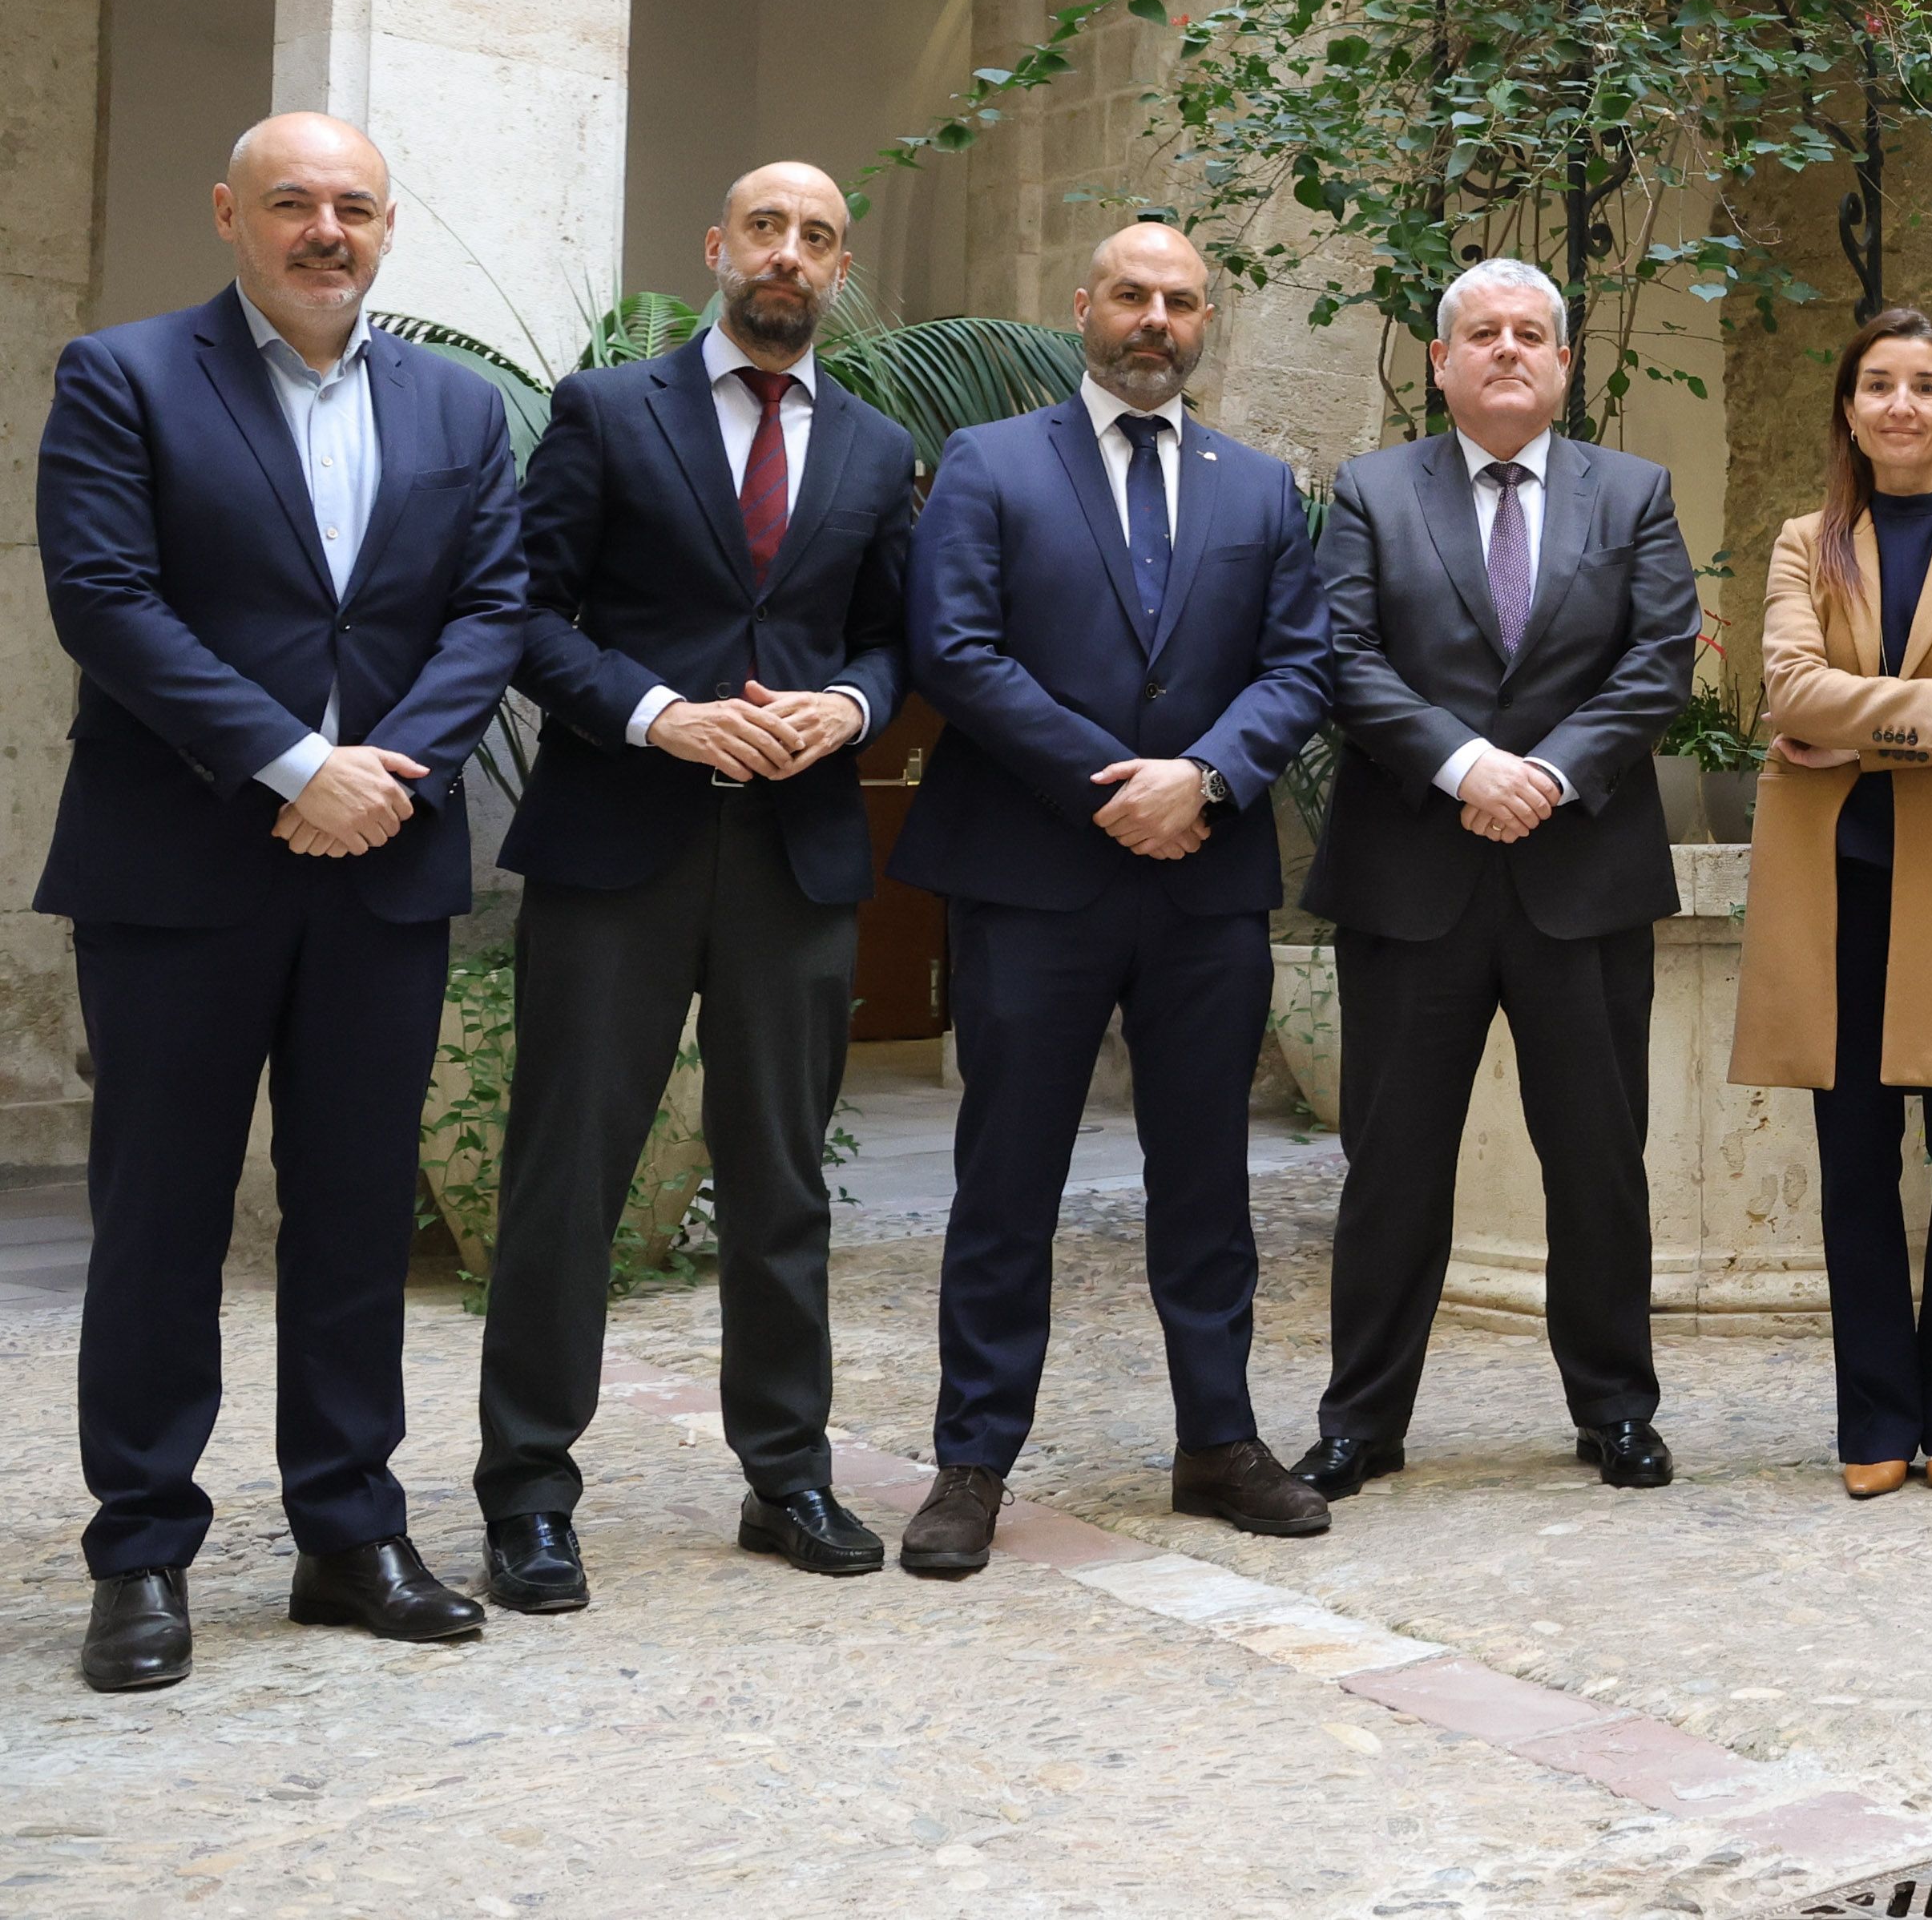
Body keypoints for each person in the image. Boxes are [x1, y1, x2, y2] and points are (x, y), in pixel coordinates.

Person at [35, 112, 525, 1689]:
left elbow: (491, 609)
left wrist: (384, 778)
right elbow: (105, 597)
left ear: (387, 226)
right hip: (176, 867)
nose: (328, 230)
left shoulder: (455, 407)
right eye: (295, 203)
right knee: (162, 1218)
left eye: (355, 207)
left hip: (382, 860)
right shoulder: (125, 377)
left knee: (358, 1213)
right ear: (229, 214)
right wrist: (293, 764)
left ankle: (349, 1533)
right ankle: (141, 1552)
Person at [470, 162, 918, 1610]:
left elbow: (894, 637)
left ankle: (787, 1475)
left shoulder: (876, 445)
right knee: (568, 1175)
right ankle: (529, 1493)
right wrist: (659, 714)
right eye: (766, 229)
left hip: (797, 851)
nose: (789, 254)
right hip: (619, 842)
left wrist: (850, 708)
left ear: (839, 269)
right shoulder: (609, 413)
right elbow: (524, 611)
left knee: (782, 1178)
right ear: (718, 246)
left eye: (817, 237)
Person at [886, 219, 1336, 1573]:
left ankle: (1220, 1443)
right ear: (1084, 306)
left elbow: (1300, 666)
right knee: (1007, 1177)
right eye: (1133, 296)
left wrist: (1204, 778)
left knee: (1206, 1178)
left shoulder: (1261, 489)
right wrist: (1112, 786)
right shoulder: (990, 463)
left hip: (1205, 880)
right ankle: (973, 1461)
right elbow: (953, 649)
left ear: (1206, 324)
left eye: (1181, 302)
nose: (1156, 320)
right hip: (1032, 877)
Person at [1297, 259, 1699, 1497]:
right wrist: (1468, 765)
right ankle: (1362, 1420)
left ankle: (1616, 1410)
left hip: (1583, 878)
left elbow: (1659, 661)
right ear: (1442, 361)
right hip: (1412, 879)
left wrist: (1553, 774)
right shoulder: (1372, 492)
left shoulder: (1633, 492)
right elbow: (1344, 655)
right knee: (1393, 1164)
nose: (1508, 349)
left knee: (1599, 1160)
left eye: (1532, 333)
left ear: (1564, 364)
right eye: (1483, 334)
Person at [1733, 310, 1932, 1498]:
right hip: (1838, 887)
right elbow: (1790, 693)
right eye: (1879, 384)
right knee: (1856, 1160)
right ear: (1851, 408)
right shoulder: (1804, 544)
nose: (1902, 405)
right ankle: (1875, 1420)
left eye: (1926, 385)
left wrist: (1865, 734)